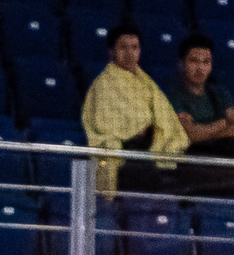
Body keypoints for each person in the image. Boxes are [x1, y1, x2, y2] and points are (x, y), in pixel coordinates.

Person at [79, 23, 188, 195]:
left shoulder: (146, 82)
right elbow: (102, 126)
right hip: (125, 149)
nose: (130, 53)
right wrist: (137, 130)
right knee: (143, 171)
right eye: (123, 47)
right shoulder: (103, 84)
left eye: (135, 48)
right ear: (111, 52)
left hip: (150, 146)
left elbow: (165, 117)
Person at [167, 34, 234, 168]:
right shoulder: (172, 95)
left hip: (223, 162)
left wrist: (205, 133)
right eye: (194, 61)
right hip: (190, 163)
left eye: (206, 62)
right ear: (181, 64)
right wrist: (222, 124)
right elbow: (189, 135)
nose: (200, 69)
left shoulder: (220, 93)